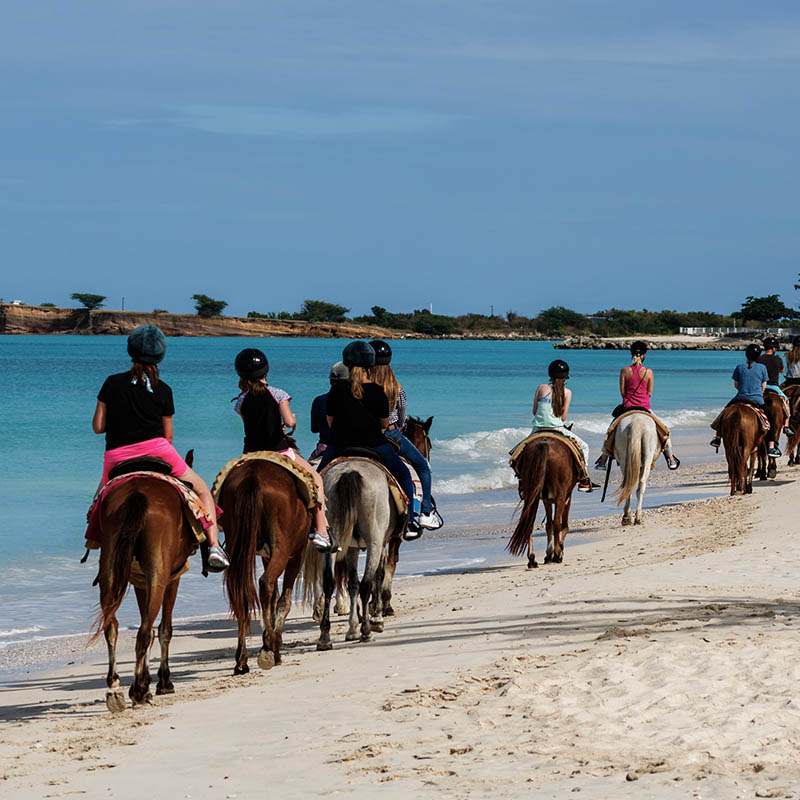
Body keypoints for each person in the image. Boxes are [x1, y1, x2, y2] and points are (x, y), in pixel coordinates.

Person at [92, 325, 229, 571]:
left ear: (130, 351)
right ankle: (214, 547)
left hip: (116, 456)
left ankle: (96, 540)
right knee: (203, 492)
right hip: (159, 451)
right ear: (160, 356)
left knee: (100, 500)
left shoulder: (111, 383)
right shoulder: (165, 390)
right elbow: (168, 436)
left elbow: (98, 427)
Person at [317, 341, 420, 538]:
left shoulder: (336, 390)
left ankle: (316, 526)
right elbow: (383, 424)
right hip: (375, 445)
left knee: (317, 479)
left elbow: (330, 422)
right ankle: (410, 522)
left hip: (340, 446)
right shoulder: (377, 391)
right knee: (405, 476)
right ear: (370, 368)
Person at [233, 348, 332, 552]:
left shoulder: (241, 400)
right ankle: (321, 531)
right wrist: (291, 422)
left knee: (225, 484)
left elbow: (249, 425)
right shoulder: (279, 394)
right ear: (265, 371)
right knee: (316, 480)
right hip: (280, 452)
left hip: (250, 454)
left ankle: (226, 536)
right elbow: (288, 421)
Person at [369, 339, 441, 531]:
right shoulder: (397, 388)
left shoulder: (360, 386)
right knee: (423, 466)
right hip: (391, 435)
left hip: (364, 435)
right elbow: (401, 420)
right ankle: (425, 512)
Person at [594, 341, 680, 470]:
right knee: (664, 430)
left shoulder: (624, 371)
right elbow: (649, 393)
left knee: (610, 430)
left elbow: (623, 393)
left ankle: (603, 460)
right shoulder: (649, 372)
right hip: (645, 408)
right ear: (644, 355)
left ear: (631, 354)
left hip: (627, 408)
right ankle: (671, 458)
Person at [531, 359, 592, 492]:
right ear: (565, 377)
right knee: (584, 447)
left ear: (550, 374)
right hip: (557, 428)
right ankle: (584, 479)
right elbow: (563, 417)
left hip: (538, 429)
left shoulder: (541, 388)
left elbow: (534, 412)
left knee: (520, 451)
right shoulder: (567, 392)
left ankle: (523, 482)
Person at [709, 343, 779, 456]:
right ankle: (771, 447)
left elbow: (736, 385)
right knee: (771, 420)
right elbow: (763, 386)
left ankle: (717, 437)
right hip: (757, 400)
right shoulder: (762, 368)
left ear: (746, 355)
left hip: (740, 397)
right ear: (758, 356)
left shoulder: (739, 367)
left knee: (724, 412)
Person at [309, 361, 349, 461]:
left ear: (330, 380)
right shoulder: (356, 401)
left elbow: (314, 429)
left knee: (307, 473)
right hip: (351, 447)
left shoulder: (319, 400)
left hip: (325, 448)